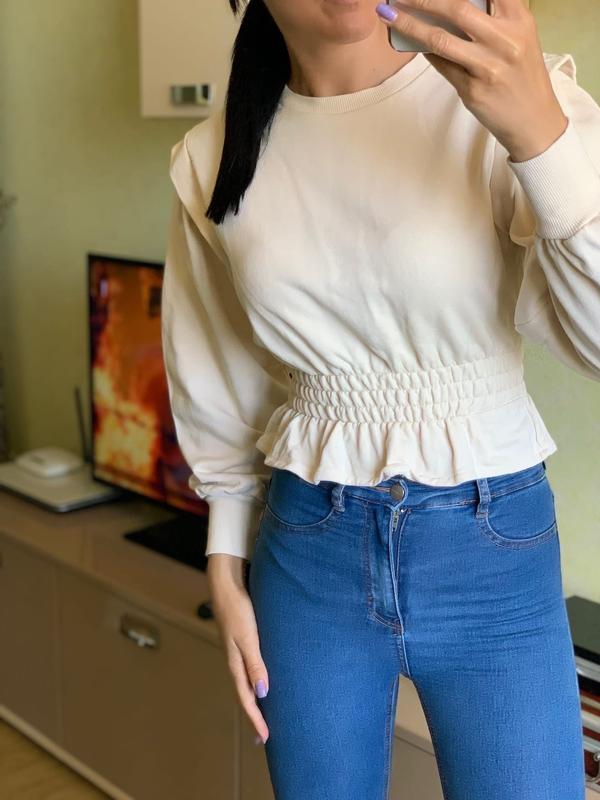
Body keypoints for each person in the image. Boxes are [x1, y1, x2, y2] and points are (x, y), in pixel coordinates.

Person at [160, 0, 600, 796]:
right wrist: (225, 564)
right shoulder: (210, 156)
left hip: (492, 555)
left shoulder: (503, 92)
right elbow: (217, 370)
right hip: (307, 551)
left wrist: (543, 140)